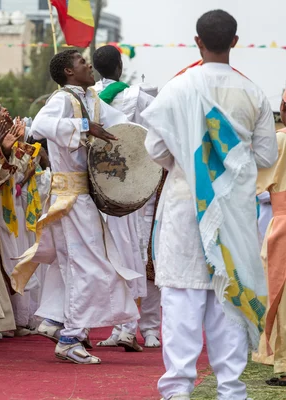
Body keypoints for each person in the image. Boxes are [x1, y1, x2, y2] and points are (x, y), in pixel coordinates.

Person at [141, 10, 277, 400]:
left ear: (197, 41)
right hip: (234, 206)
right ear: (235, 42)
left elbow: (153, 148)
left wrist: (189, 162)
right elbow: (266, 156)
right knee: (229, 295)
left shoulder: (178, 88)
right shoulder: (252, 92)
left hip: (187, 202)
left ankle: (178, 390)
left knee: (182, 297)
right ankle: (232, 390)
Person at [12, 49, 141, 364]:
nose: (89, 65)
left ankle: (55, 321)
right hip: (70, 199)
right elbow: (40, 126)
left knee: (72, 264)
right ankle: (69, 339)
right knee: (89, 266)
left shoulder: (92, 100)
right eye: (82, 62)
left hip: (82, 199)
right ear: (69, 72)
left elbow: (124, 127)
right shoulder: (63, 99)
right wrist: (85, 127)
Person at [92, 44, 160, 351]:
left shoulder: (86, 98)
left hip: (100, 192)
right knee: (142, 257)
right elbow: (158, 140)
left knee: (115, 259)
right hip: (138, 190)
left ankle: (125, 326)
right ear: (120, 67)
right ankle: (144, 327)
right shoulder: (140, 96)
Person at [253, 92, 286, 386]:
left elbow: (254, 181)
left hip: (283, 227)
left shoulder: (280, 140)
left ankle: (284, 363)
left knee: (283, 298)